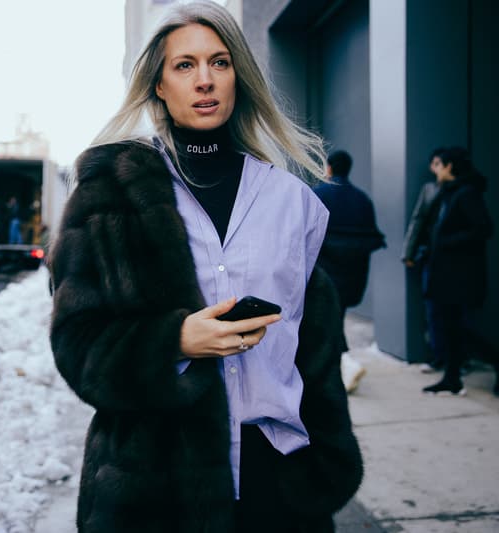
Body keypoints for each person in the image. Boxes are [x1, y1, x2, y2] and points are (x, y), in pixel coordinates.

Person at [48, 2, 362, 531]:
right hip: (157, 486)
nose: (204, 80)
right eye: (185, 65)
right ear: (159, 86)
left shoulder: (292, 200)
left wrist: (325, 460)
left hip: (279, 482)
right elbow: (77, 343)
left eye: (219, 62)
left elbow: (316, 345)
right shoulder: (109, 197)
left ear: (239, 75)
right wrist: (173, 340)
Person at [422, 146, 494, 395]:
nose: (435, 169)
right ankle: (451, 378)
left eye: (438, 164)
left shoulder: (466, 194)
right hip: (447, 274)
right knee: (450, 328)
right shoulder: (449, 193)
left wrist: (445, 243)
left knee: (463, 329)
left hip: (460, 277)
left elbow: (483, 228)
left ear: (450, 166)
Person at [313, 150, 385, 392]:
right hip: (352, 277)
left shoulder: (318, 195)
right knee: (335, 319)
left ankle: (344, 366)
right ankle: (342, 366)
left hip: (324, 275)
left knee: (324, 323)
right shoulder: (362, 200)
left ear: (329, 168)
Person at [402, 148, 446, 371]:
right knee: (433, 308)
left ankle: (454, 358)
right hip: (431, 256)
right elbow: (418, 220)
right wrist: (409, 252)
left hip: (453, 260)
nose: (437, 168)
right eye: (435, 163)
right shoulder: (429, 190)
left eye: (441, 163)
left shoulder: (459, 191)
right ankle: (438, 356)